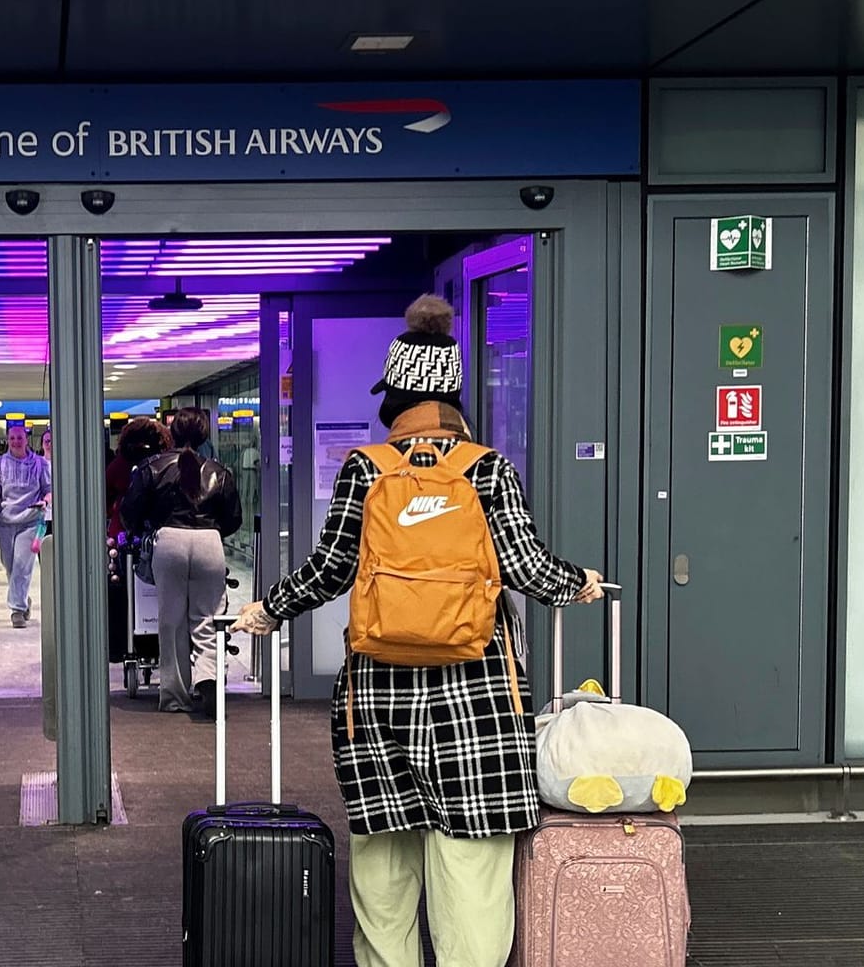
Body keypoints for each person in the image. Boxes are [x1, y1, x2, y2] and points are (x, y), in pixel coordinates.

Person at [232, 294, 604, 967]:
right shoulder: (488, 468)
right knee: (471, 878)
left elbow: (329, 569)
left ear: (397, 395)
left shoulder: (365, 469)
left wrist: (269, 609)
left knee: (384, 874)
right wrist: (577, 582)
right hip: (480, 699)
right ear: (455, 396)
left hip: (380, 701)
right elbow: (523, 566)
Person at [121, 406, 241, 716]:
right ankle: (209, 679)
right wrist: (211, 532)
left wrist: (145, 528)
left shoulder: (152, 466)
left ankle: (174, 696)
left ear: (171, 434)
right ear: (205, 435)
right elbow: (233, 519)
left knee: (171, 622)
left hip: (169, 542)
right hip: (209, 543)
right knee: (208, 618)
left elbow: (130, 512)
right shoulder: (220, 471)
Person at [0, 421, 52, 628]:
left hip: (31, 521)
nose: (15, 441)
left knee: (22, 565)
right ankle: (23, 599)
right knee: (10, 565)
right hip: (5, 522)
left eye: (19, 437)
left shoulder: (41, 464)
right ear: (8, 440)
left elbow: (49, 489)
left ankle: (17, 610)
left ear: (26, 439)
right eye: (12, 438)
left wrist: (46, 501)